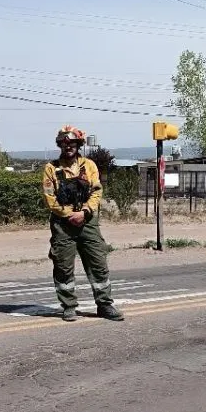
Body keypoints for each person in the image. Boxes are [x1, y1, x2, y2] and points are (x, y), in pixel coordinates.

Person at [42, 125, 124, 322]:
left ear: (78, 144)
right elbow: (49, 198)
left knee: (98, 263)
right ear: (60, 144)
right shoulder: (51, 168)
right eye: (64, 143)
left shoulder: (89, 166)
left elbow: (97, 191)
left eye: (72, 143)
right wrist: (70, 214)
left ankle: (105, 305)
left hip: (87, 221)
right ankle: (68, 306)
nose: (68, 146)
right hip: (63, 224)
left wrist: (84, 212)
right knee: (63, 266)